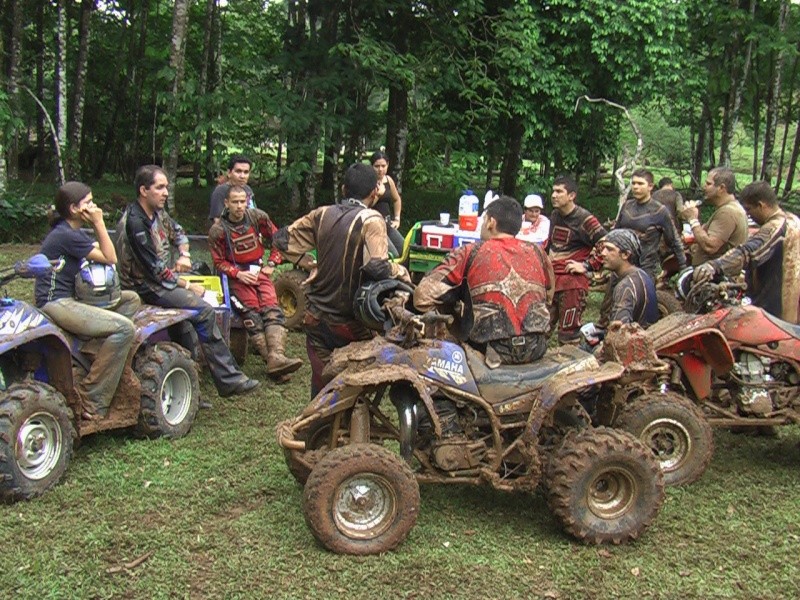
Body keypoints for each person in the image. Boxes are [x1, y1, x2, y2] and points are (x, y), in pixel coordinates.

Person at [116, 165, 260, 398]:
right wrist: (187, 285)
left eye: (166, 187)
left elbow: (178, 230)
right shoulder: (135, 223)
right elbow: (155, 271)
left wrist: (184, 253)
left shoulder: (156, 213)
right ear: (144, 190)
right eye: (160, 187)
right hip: (143, 286)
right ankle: (229, 379)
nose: (165, 192)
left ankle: (190, 384)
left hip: (160, 280)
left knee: (185, 323)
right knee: (203, 310)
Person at [274, 163, 411, 396]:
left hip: (315, 318)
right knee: (352, 390)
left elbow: (280, 239)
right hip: (351, 325)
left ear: (344, 189)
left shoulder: (322, 213)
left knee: (322, 388)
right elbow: (377, 267)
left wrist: (307, 263)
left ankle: (317, 428)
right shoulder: (372, 219)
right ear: (375, 191)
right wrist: (400, 271)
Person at [35, 182, 141, 419]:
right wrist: (99, 222)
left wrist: (94, 225)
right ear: (74, 209)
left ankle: (94, 353)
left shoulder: (72, 232)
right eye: (89, 203)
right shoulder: (66, 235)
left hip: (72, 299)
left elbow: (104, 251)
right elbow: (110, 257)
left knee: (130, 300)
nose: (94, 207)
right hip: (57, 303)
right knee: (124, 329)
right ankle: (91, 399)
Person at [414, 196, 554, 366]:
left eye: (483, 219)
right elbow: (549, 296)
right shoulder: (538, 252)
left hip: (488, 350)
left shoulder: (469, 252)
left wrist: (453, 317)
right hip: (536, 348)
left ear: (491, 222)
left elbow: (422, 297)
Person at [208, 185, 303, 381]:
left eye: (243, 201)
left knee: (273, 310)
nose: (239, 206)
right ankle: (273, 363)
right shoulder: (218, 231)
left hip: (259, 272)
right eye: (235, 202)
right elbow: (218, 262)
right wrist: (238, 274)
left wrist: (272, 262)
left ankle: (278, 356)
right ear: (226, 203)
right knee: (252, 316)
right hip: (237, 279)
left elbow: (277, 238)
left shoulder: (257, 217)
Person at [693, 180, 800, 323]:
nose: (748, 215)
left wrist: (714, 266)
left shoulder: (774, 227)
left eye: (749, 210)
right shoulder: (793, 220)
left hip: (775, 311)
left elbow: (747, 252)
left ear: (761, 205)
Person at [548, 175, 607, 344]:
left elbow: (607, 243)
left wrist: (588, 266)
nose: (554, 195)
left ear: (571, 196)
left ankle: (572, 367)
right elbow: (552, 244)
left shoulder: (585, 218)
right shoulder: (555, 215)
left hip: (573, 285)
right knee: (542, 327)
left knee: (568, 333)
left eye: (559, 191)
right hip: (553, 281)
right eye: (553, 191)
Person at [568, 229, 657, 330]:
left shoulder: (625, 286)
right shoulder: (642, 275)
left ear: (625, 255)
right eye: (604, 248)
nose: (603, 253)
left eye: (610, 249)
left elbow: (618, 333)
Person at [615, 168, 687, 281]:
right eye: (633, 183)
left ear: (650, 186)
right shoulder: (627, 206)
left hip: (646, 268)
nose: (635, 187)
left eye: (640, 183)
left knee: (642, 297)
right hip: (621, 265)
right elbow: (615, 233)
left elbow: (674, 241)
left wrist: (683, 268)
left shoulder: (659, 211)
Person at [680, 167, 748, 266]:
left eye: (708, 184)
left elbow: (710, 246)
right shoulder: (729, 208)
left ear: (721, 188)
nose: (704, 187)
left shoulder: (728, 212)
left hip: (714, 278)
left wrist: (692, 219)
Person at [370, 151, 405, 257]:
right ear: (371, 166)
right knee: (393, 254)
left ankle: (404, 273)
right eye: (377, 166)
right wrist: (378, 195)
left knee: (405, 250)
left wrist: (397, 218)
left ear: (388, 165)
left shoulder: (388, 180)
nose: (380, 169)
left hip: (388, 224)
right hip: (375, 226)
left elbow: (396, 199)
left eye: (383, 166)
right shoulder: (369, 182)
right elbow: (365, 206)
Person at [209, 155, 255, 225]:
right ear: (229, 173)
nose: (242, 176)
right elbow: (217, 221)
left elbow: (254, 213)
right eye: (238, 171)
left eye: (246, 172)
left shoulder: (248, 189)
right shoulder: (220, 191)